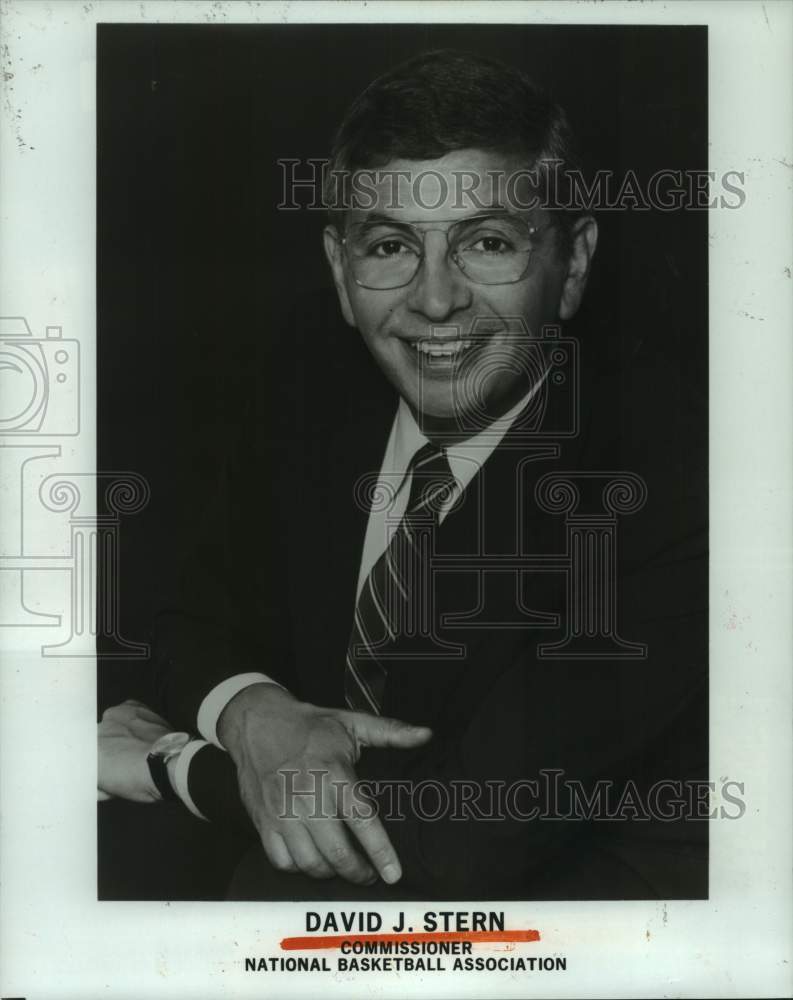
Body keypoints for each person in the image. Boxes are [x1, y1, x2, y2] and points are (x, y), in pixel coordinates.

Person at [99, 49, 707, 900]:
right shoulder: (305, 408)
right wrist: (251, 712)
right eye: (389, 246)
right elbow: (188, 613)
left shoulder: (672, 494)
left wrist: (166, 763)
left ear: (570, 265)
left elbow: (447, 839)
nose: (432, 301)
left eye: (486, 243)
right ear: (340, 273)